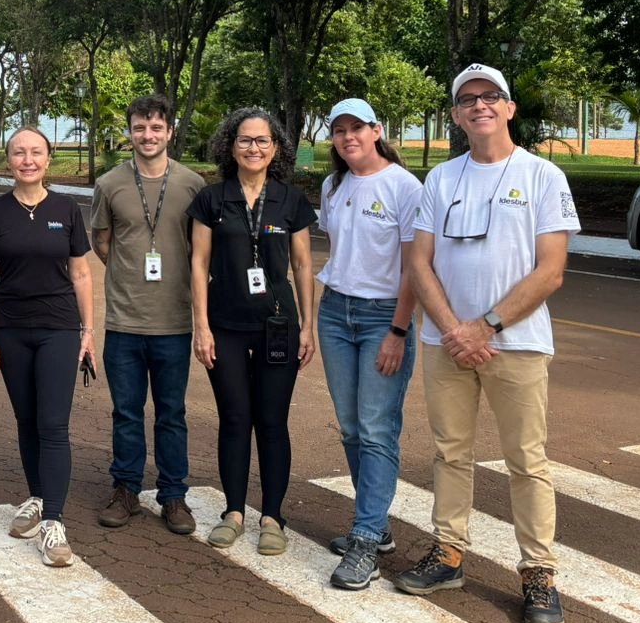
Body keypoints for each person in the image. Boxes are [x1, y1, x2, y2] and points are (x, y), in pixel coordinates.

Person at [399, 64, 578, 623]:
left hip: (517, 344)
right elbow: (419, 262)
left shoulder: (543, 176)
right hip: (444, 343)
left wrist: (487, 326)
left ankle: (538, 574)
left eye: (490, 96)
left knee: (527, 460)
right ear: (456, 115)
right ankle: (448, 554)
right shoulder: (440, 179)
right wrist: (455, 328)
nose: (479, 105)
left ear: (509, 107)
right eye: (467, 99)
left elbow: (551, 271)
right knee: (450, 452)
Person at [187, 108, 317, 557]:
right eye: (245, 140)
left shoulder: (290, 200)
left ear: (276, 148)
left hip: (278, 328)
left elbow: (302, 265)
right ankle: (234, 512)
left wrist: (308, 326)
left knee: (272, 421)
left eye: (262, 141)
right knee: (235, 420)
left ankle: (273, 517)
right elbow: (198, 264)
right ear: (231, 145)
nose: (253, 148)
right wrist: (200, 327)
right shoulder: (211, 199)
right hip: (224, 326)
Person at [314, 98, 423, 591]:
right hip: (336, 311)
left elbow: (413, 270)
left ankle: (364, 539)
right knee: (353, 428)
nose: (348, 137)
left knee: (378, 429)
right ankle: (375, 527)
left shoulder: (405, 187)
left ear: (377, 130)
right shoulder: (333, 186)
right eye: (339, 130)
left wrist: (398, 332)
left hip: (383, 317)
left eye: (357, 127)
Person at [0, 127, 95, 567]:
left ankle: (54, 523)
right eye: (19, 152)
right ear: (8, 160)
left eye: (36, 152)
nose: (28, 159)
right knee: (26, 420)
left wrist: (88, 330)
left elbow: (81, 274)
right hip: (9, 328)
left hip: (59, 328)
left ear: (47, 160)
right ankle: (39, 497)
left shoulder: (66, 209)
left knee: (53, 424)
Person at [90, 95, 205, 536]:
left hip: (174, 321)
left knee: (172, 412)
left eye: (156, 128)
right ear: (130, 131)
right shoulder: (110, 183)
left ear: (170, 131)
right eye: (140, 128)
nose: (148, 136)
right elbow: (103, 241)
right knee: (126, 411)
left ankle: (174, 494)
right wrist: (126, 275)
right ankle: (125, 489)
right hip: (124, 320)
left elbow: (200, 249)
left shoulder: (192, 185)